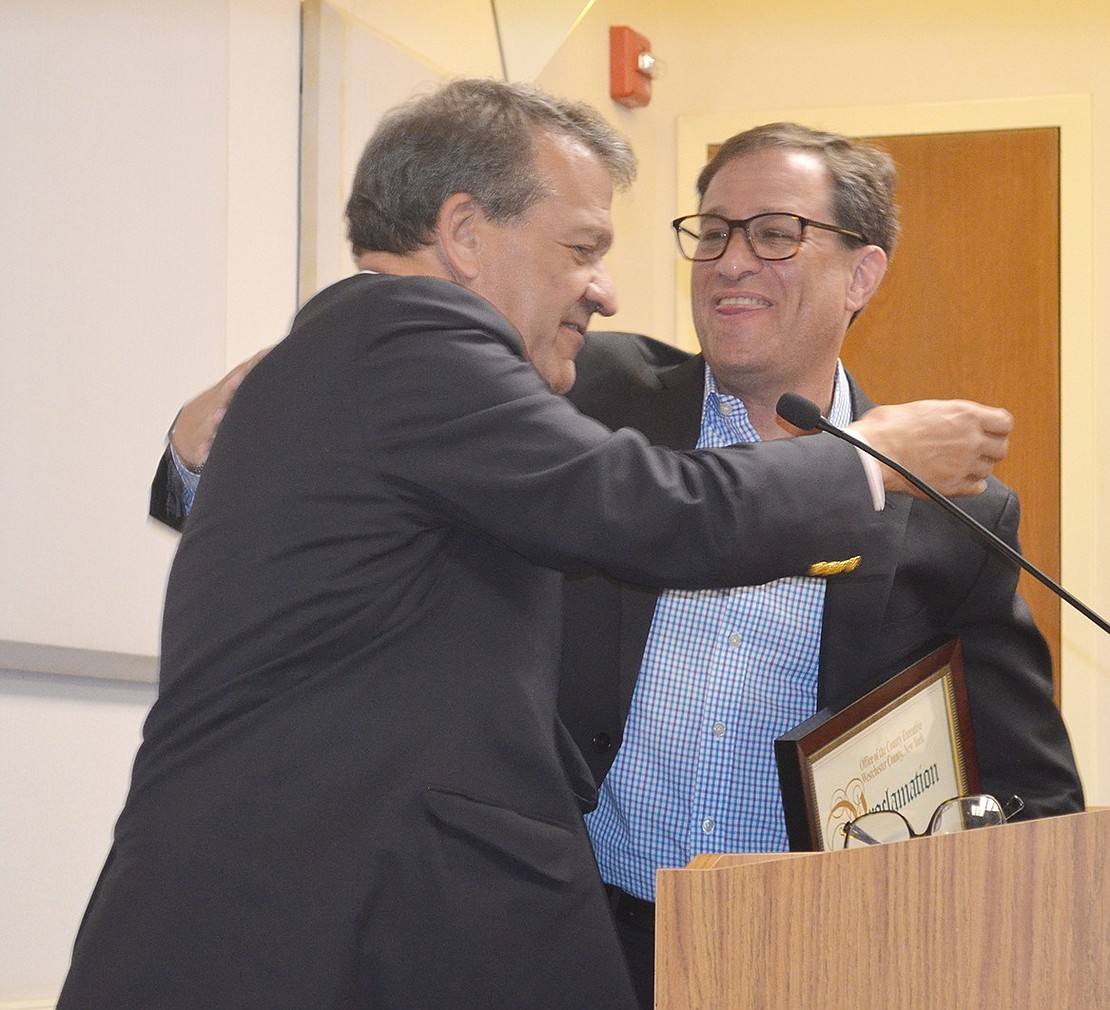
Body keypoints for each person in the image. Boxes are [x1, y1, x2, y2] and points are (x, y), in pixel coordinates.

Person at [63, 84, 1011, 1010]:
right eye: (584, 248)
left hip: (381, 913)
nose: (605, 287)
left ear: (863, 273)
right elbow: (655, 511)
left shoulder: (366, 346)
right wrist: (871, 463)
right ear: (467, 233)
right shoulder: (421, 341)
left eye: (773, 235)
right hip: (321, 914)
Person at [556, 123, 1084, 1006]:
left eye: (775, 233)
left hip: (798, 958)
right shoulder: (599, 399)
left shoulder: (950, 510)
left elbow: (1031, 793)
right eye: (714, 231)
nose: (730, 261)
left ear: (863, 274)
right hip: (569, 938)